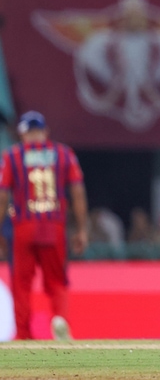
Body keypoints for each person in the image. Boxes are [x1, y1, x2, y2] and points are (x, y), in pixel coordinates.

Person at [0, 111, 89, 340]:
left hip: (23, 226)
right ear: (45, 132)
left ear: (22, 134)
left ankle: (23, 335)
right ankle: (60, 319)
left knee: (21, 284)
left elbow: (2, 196)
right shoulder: (63, 154)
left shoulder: (12, 156)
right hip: (53, 224)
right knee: (57, 280)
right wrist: (81, 229)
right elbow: (77, 191)